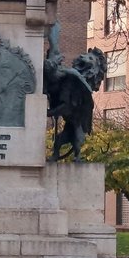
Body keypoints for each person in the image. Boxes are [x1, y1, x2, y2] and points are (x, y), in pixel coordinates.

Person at [44, 22, 107, 162]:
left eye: (90, 59)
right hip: (68, 120)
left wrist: (49, 112)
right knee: (59, 141)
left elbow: (66, 107)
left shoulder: (79, 90)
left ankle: (78, 155)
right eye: (86, 55)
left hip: (75, 121)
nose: (84, 57)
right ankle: (56, 154)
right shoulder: (71, 78)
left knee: (73, 137)